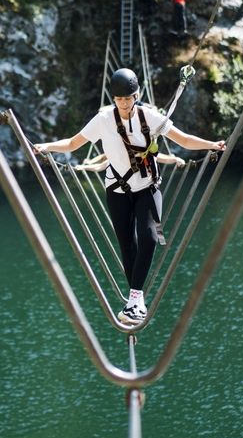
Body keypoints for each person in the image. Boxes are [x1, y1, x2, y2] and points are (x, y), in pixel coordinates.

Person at [33, 68, 224, 321]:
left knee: (151, 237)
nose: (123, 104)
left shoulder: (150, 117)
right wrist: (45, 147)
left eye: (128, 98)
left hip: (148, 186)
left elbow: (185, 141)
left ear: (137, 95)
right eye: (119, 99)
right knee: (126, 244)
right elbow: (72, 143)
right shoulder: (103, 120)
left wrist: (213, 145)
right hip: (117, 190)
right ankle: (137, 298)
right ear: (113, 99)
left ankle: (135, 300)